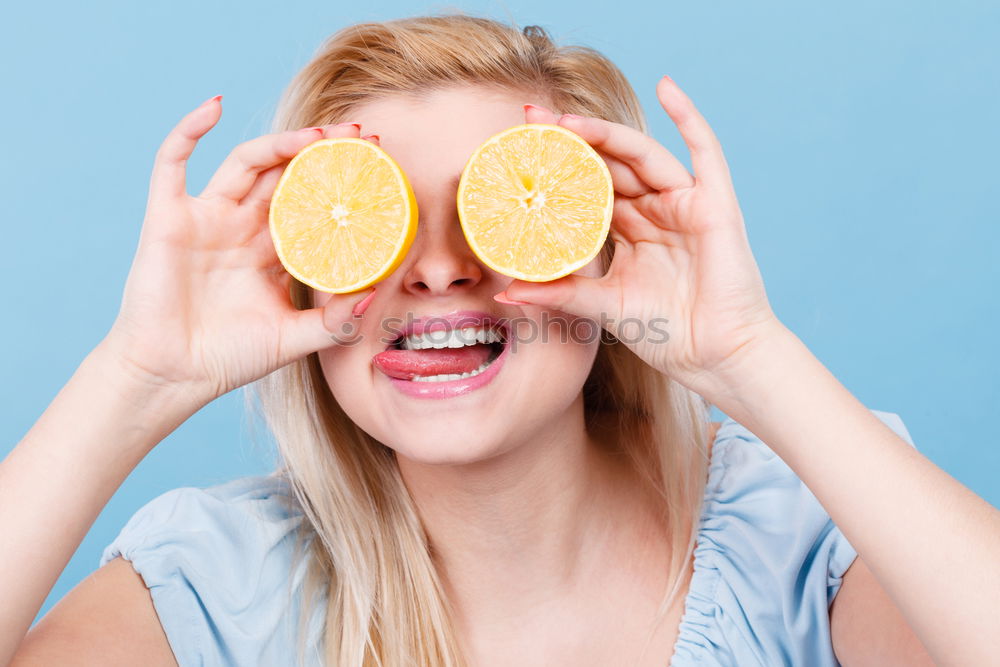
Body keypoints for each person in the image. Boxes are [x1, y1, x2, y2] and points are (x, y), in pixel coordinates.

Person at [2, 14, 997, 667]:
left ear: (610, 252)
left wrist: (745, 354)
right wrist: (135, 377)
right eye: (376, 221)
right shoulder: (219, 593)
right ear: (300, 268)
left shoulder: (805, 532)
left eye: (500, 212)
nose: (436, 270)